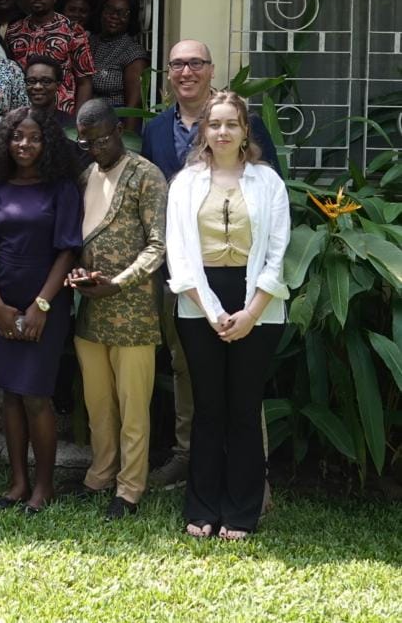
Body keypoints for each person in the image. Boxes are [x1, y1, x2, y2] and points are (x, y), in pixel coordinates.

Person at [141, 39, 280, 491]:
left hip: (242, 274)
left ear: (210, 68)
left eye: (195, 63)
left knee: (242, 381)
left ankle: (249, 478)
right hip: (181, 274)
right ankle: (190, 459)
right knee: (188, 370)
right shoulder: (157, 129)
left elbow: (268, 200)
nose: (186, 71)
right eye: (177, 64)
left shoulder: (245, 124)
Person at [166, 91, 289, 539]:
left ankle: (241, 511)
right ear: (204, 131)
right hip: (199, 303)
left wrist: (251, 313)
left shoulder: (267, 181)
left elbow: (277, 253)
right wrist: (216, 312)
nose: (222, 131)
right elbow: (179, 256)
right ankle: (202, 508)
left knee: (243, 407)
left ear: (244, 131)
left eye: (231, 124)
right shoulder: (186, 183)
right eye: (214, 124)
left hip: (258, 303)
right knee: (208, 408)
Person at [0, 106, 82, 513]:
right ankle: (18, 482)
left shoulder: (61, 189)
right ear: (6, 142)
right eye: (17, 137)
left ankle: (44, 485)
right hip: (3, 302)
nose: (24, 144)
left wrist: (41, 306)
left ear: (47, 142)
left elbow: (68, 249)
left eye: (34, 137)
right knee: (11, 396)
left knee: (35, 395)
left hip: (44, 307)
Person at [64, 99, 167, 519]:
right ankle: (100, 475)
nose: (96, 148)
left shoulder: (146, 175)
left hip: (134, 313)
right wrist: (76, 275)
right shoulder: (86, 174)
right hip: (91, 311)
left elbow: (158, 244)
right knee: (99, 404)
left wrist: (119, 282)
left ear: (119, 130)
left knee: (133, 407)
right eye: (87, 142)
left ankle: (129, 489)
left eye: (103, 139)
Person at [5, 0, 95, 115]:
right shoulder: (13, 31)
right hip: (22, 114)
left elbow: (84, 81)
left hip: (62, 113)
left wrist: (78, 123)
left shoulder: (73, 30)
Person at [90, 0, 149, 129]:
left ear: (131, 18)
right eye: (109, 10)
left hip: (114, 125)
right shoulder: (90, 42)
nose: (114, 16)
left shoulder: (133, 52)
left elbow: (133, 107)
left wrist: (128, 145)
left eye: (122, 13)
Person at [24, 55, 76, 129]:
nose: (37, 87)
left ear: (58, 85)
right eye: (31, 81)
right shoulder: (16, 123)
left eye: (46, 81)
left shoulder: (70, 125)